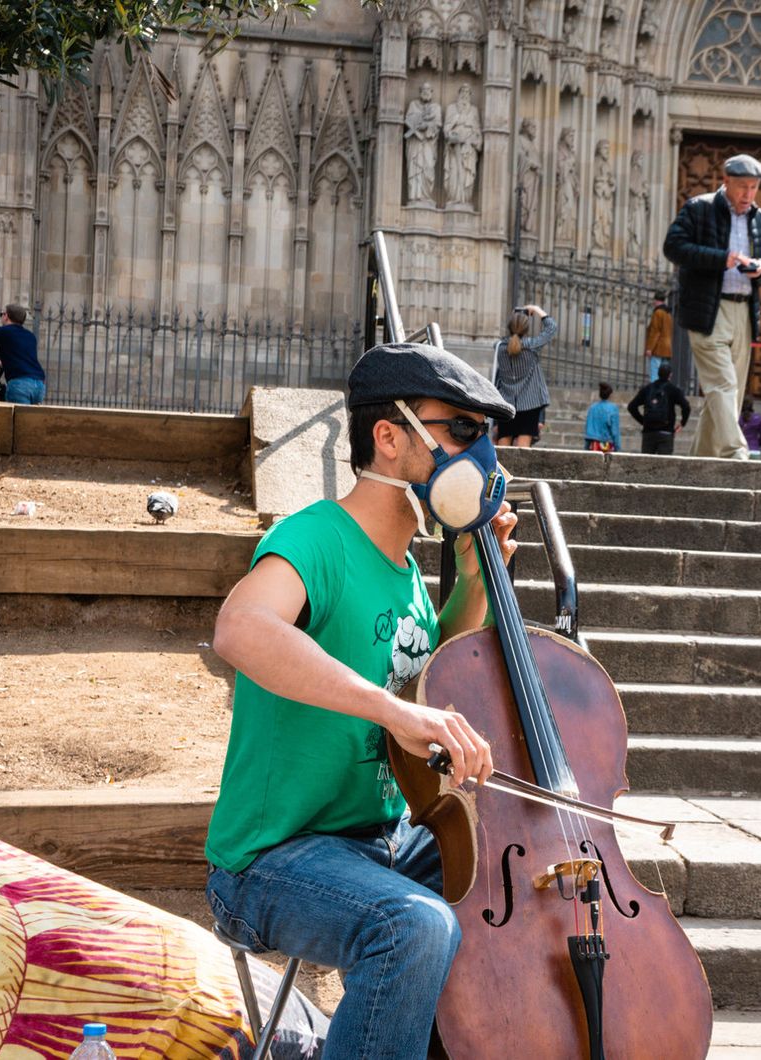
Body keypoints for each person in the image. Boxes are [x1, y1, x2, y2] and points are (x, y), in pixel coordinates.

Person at [204, 340, 518, 1057]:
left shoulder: (408, 569)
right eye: (461, 431)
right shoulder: (317, 537)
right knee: (413, 925)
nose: (479, 454)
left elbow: (425, 678)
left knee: (503, 869)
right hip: (269, 860)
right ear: (389, 435)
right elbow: (240, 628)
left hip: (375, 844)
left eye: (485, 436)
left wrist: (476, 574)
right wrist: (392, 711)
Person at [663, 153, 761, 459]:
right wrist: (719, 258)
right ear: (726, 181)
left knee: (730, 395)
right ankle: (735, 452)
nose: (748, 195)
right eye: (743, 187)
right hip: (707, 310)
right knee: (723, 384)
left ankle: (700, 461)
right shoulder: (699, 208)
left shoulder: (759, 218)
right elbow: (673, 246)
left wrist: (760, 268)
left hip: (743, 312)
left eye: (754, 188)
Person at [492, 303, 556, 447]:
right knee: (523, 449)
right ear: (526, 328)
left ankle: (499, 470)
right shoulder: (532, 346)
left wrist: (514, 316)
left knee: (502, 447)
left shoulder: (499, 347)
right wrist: (536, 309)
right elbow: (551, 328)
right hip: (530, 404)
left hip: (506, 403)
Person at [628, 363, 691, 455]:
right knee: (665, 465)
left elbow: (631, 406)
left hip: (648, 432)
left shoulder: (647, 389)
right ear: (670, 375)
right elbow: (686, 406)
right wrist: (682, 423)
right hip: (666, 432)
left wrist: (643, 421)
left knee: (646, 464)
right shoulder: (673, 390)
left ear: (658, 374)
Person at [643, 291, 673, 384]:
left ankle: (654, 395)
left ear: (656, 300)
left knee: (655, 375)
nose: (653, 302)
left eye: (654, 300)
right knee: (665, 376)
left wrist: (649, 348)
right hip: (667, 348)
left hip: (658, 348)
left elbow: (655, 332)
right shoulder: (668, 314)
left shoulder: (658, 313)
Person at [583, 381, 621, 452]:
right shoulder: (613, 408)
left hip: (593, 444)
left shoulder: (592, 408)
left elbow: (588, 428)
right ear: (610, 395)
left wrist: (586, 447)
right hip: (607, 444)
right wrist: (617, 447)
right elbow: (615, 431)